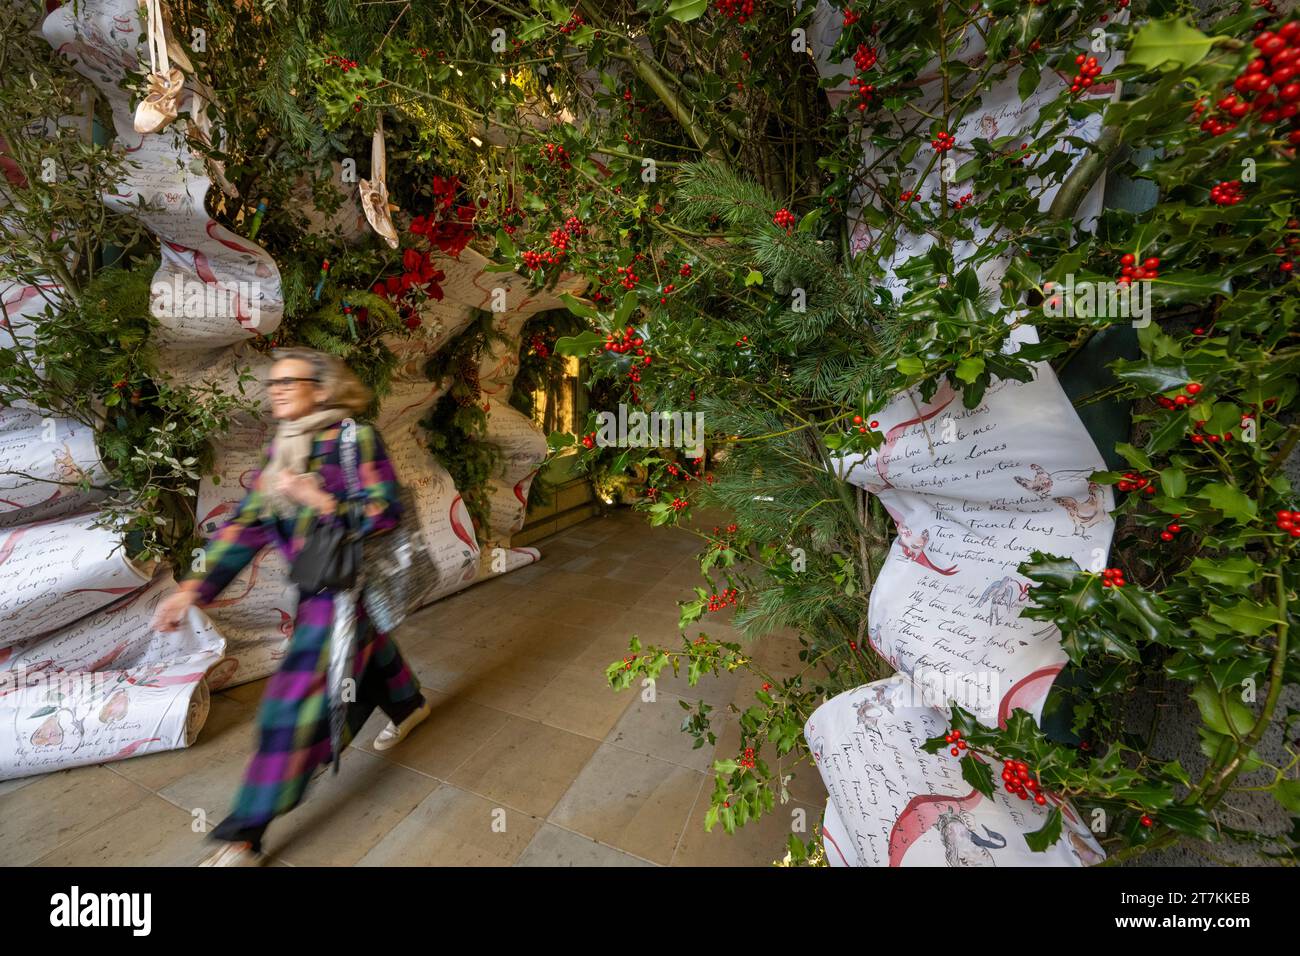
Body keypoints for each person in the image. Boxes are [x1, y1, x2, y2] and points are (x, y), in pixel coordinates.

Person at [152, 347, 433, 866]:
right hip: (319, 589)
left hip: (345, 592)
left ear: (321, 389)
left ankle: (245, 832)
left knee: (292, 706)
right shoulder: (280, 451)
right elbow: (245, 525)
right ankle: (410, 703)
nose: (276, 389)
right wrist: (193, 590)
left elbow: (385, 510)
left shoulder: (355, 438)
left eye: (290, 381)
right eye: (272, 383)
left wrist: (323, 501)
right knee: (368, 649)